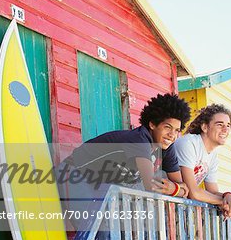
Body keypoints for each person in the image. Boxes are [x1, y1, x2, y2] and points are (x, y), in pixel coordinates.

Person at [55, 93, 191, 229]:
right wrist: (175, 189)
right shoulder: (139, 139)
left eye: (177, 130)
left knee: (109, 233)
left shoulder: (167, 147)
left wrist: (174, 189)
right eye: (167, 127)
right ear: (152, 124)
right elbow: (151, 185)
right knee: (90, 227)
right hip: (74, 174)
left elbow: (183, 187)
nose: (172, 135)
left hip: (101, 184)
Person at [174, 103, 231, 219]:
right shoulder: (189, 143)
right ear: (204, 127)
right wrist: (224, 202)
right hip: (151, 201)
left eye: (228, 125)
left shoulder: (213, 156)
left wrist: (229, 196)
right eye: (220, 125)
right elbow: (193, 192)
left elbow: (213, 192)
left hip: (175, 211)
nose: (225, 129)